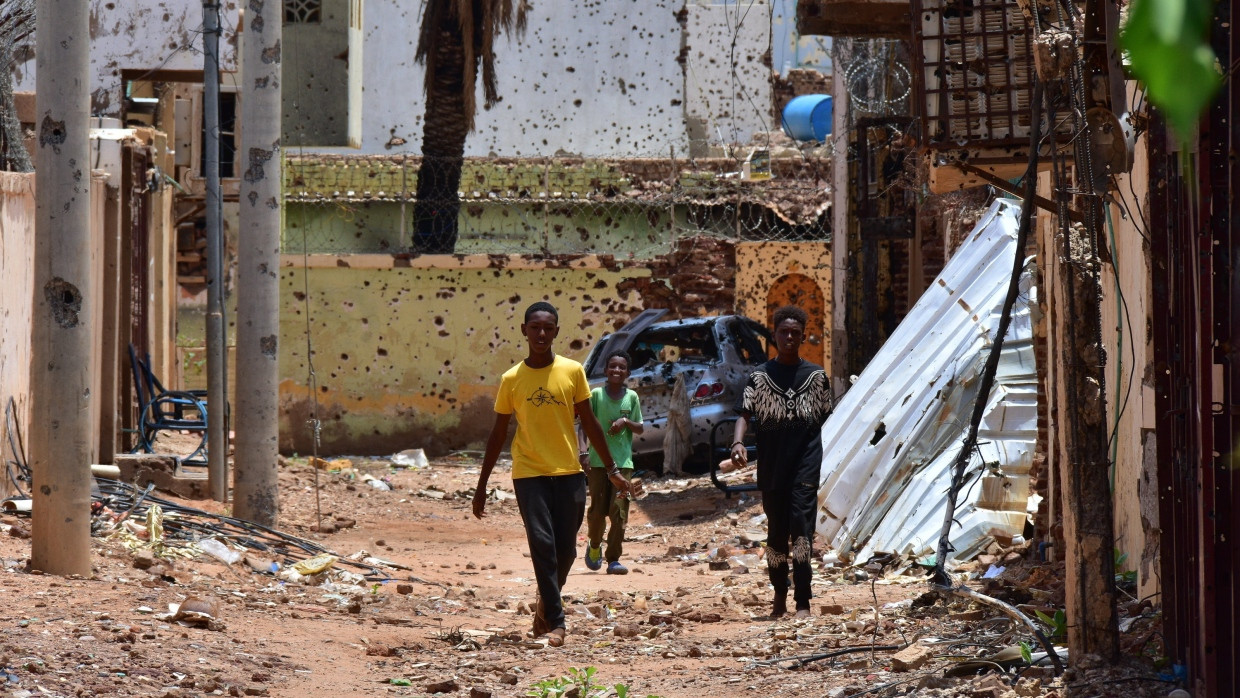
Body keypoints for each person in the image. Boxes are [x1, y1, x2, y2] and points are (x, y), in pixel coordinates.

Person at [472, 301, 631, 648]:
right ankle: (557, 623)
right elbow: (498, 433)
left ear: (557, 331)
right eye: (535, 327)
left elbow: (589, 422)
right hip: (529, 474)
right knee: (542, 545)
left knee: (567, 552)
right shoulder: (511, 379)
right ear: (524, 331)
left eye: (548, 328)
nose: (541, 334)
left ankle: (545, 606)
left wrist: (614, 470)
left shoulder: (573, 372)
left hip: (570, 472)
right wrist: (482, 485)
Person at [730, 306, 833, 620]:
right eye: (783, 332)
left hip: (805, 463)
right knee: (776, 533)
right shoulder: (759, 378)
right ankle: (779, 595)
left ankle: (802, 601)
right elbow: (744, 414)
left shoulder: (816, 377)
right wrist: (737, 442)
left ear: (802, 337)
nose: (789, 338)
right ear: (773, 335)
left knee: (801, 530)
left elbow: (826, 417)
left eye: (795, 333)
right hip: (773, 465)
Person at [579, 350, 644, 576]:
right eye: (613, 366)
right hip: (597, 464)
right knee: (597, 511)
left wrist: (625, 421)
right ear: (606, 370)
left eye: (622, 367)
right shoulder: (596, 395)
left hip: (623, 465)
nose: (617, 370)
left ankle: (613, 559)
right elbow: (583, 425)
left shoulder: (632, 398)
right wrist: (583, 452)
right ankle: (594, 544)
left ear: (628, 372)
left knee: (619, 512)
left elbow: (640, 427)